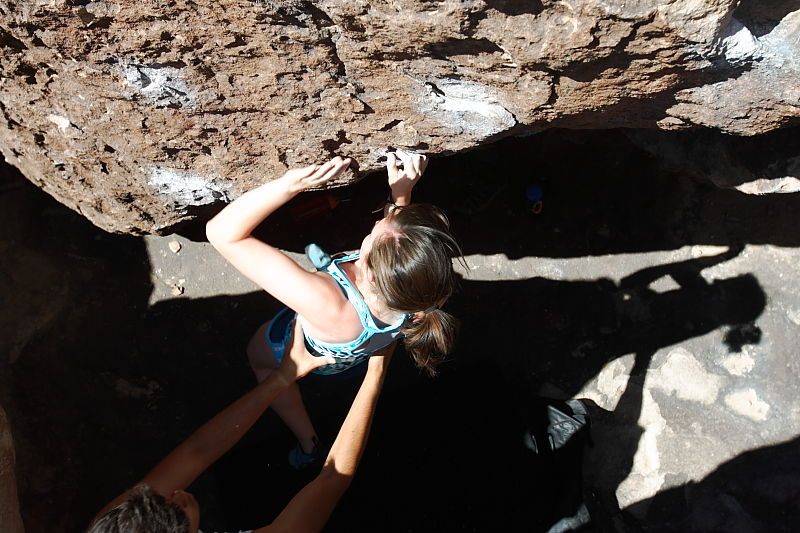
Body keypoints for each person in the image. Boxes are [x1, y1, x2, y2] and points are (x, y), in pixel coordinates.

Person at [205, 151, 463, 468]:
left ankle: (308, 442)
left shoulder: (327, 300)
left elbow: (221, 234)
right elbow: (400, 252)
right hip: (350, 353)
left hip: (306, 349)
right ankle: (313, 431)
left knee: (259, 356)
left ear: (370, 273)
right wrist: (400, 195)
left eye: (373, 234)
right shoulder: (424, 298)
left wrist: (289, 185)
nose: (379, 220)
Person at [89, 320, 395, 533]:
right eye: (175, 507)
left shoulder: (111, 526)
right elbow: (332, 480)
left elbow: (198, 451)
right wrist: (376, 372)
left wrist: (282, 377)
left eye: (159, 497)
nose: (175, 492)